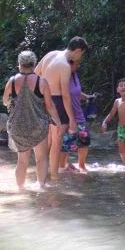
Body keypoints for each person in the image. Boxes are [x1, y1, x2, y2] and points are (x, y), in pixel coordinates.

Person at [4, 50, 61, 190]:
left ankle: (20, 189)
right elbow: (50, 106)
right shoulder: (41, 82)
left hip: (18, 126)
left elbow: (5, 101)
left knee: (22, 161)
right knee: (41, 158)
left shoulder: (12, 81)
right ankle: (41, 186)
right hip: (38, 125)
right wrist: (58, 122)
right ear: (34, 64)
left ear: (19, 64)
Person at [34, 36, 90, 180]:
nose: (80, 57)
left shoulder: (51, 54)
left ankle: (41, 176)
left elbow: (36, 73)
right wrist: (72, 119)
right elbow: (66, 95)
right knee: (56, 142)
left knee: (46, 141)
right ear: (78, 50)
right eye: (81, 54)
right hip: (57, 101)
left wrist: (44, 89)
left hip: (43, 100)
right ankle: (54, 177)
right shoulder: (65, 66)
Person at [61, 59, 91, 173]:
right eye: (76, 64)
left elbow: (76, 92)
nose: (78, 66)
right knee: (65, 144)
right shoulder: (63, 76)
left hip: (79, 114)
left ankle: (81, 166)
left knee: (84, 141)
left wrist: (87, 97)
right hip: (66, 116)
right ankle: (65, 166)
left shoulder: (75, 75)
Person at [101, 78, 125, 170]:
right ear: (117, 89)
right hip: (121, 128)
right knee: (122, 152)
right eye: (121, 85)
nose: (123, 87)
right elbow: (112, 113)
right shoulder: (117, 101)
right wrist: (105, 122)